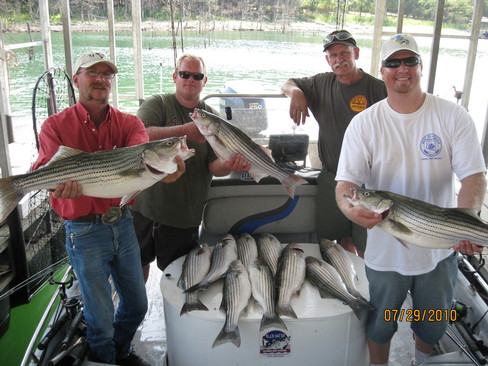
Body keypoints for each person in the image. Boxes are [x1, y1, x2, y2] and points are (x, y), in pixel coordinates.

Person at [335, 34, 486, 366]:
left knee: (432, 322)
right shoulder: (364, 124)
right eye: (393, 63)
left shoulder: (453, 116)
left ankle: (421, 360)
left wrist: (469, 223)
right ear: (382, 70)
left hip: (441, 251)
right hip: (386, 255)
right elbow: (346, 183)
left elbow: (474, 176)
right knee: (382, 321)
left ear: (420, 66)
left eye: (409, 61)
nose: (401, 69)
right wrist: (350, 207)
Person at [32, 52, 174, 366]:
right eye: (92, 72)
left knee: (137, 306)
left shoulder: (129, 124)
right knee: (99, 318)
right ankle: (105, 358)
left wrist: (169, 165)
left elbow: (141, 153)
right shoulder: (55, 125)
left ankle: (119, 353)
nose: (100, 79)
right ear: (76, 79)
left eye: (106, 74)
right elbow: (44, 168)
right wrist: (55, 184)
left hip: (121, 224)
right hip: (83, 231)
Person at [130, 54, 250, 281]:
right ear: (175, 77)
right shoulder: (158, 104)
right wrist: (183, 130)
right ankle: (138, 310)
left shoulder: (212, 117)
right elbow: (139, 136)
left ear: (205, 81)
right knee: (137, 265)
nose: (190, 79)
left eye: (197, 76)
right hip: (144, 207)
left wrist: (228, 164)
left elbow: (214, 167)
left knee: (177, 275)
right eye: (185, 74)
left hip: (183, 214)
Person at [280, 29, 387, 257]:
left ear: (356, 53)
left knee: (367, 244)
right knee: (333, 240)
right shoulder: (321, 83)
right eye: (333, 55)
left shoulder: (377, 88)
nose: (339, 60)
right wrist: (297, 92)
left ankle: (367, 286)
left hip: (369, 182)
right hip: (332, 176)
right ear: (328, 60)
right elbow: (287, 84)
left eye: (344, 53)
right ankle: (344, 281)